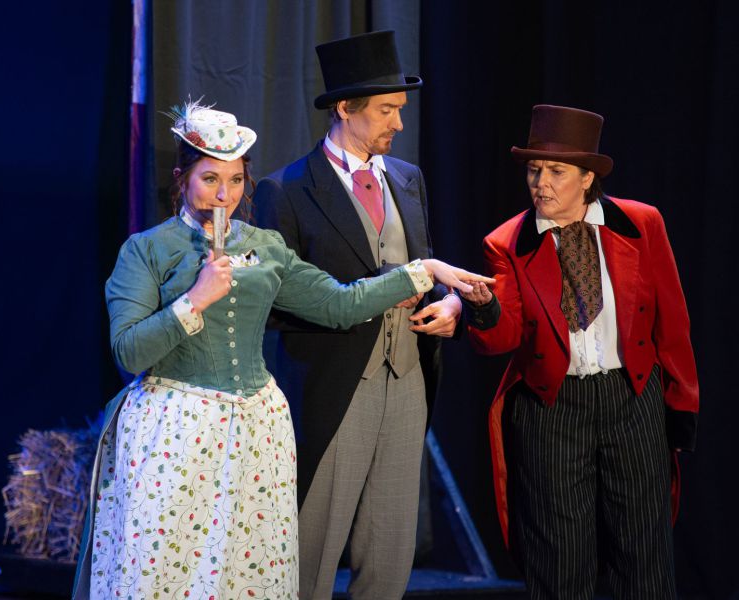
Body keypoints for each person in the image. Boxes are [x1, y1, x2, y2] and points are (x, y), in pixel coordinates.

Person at [71, 100, 492, 600]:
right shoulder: (147, 249)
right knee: (171, 573)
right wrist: (193, 300)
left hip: (256, 429)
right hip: (176, 428)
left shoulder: (266, 246)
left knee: (248, 573)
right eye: (210, 180)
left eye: (235, 180)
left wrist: (422, 271)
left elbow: (339, 303)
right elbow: (129, 351)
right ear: (181, 180)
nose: (224, 195)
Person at [253, 30, 461, 600]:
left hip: (408, 376)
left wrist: (449, 306)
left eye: (400, 110)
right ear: (345, 108)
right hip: (336, 380)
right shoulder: (287, 190)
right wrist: (368, 295)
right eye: (386, 110)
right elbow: (274, 304)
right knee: (313, 548)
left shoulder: (408, 180)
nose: (399, 123)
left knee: (390, 547)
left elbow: (424, 266)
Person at [463, 105, 699, 599]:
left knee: (643, 554)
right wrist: (484, 310)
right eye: (534, 170)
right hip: (552, 408)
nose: (541, 184)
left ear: (587, 177)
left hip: (631, 398)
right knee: (560, 558)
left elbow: (672, 322)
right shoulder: (506, 243)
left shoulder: (640, 223)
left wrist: (681, 404)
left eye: (556, 171)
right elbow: (502, 338)